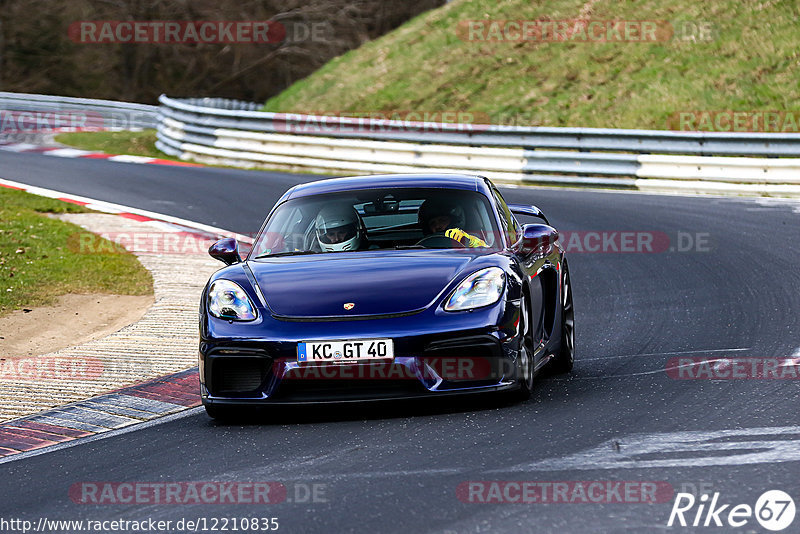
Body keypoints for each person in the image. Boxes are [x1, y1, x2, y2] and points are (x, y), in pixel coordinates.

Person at [418, 198, 488, 248]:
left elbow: (485, 250)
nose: (437, 226)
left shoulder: (471, 240)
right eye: (432, 223)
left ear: (454, 221)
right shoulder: (421, 248)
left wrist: (466, 241)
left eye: (442, 220)